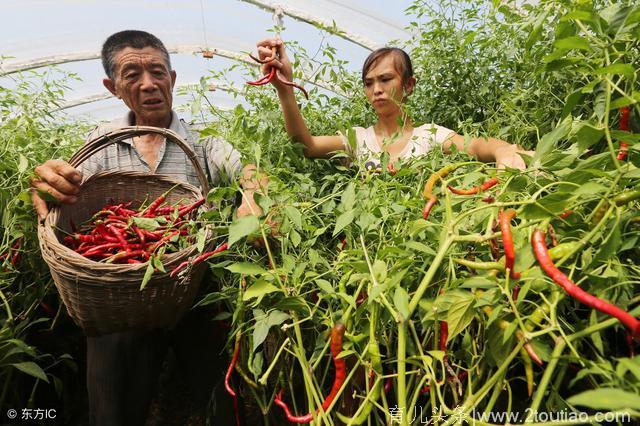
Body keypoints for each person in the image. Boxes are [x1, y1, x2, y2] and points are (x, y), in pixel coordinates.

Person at [30, 30, 265, 425]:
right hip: (120, 296)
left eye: (157, 71)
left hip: (192, 286)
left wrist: (255, 195)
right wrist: (48, 186)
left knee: (222, 398)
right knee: (111, 405)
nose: (149, 83)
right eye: (132, 74)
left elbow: (250, 171)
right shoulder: (101, 143)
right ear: (113, 87)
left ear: (173, 79)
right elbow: (63, 195)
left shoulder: (206, 143)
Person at [254, 39, 532, 169]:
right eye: (368, 83)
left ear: (408, 85)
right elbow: (306, 146)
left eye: (385, 79)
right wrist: (285, 88)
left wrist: (505, 151)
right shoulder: (357, 140)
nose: (376, 89)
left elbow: (477, 145)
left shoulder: (429, 137)